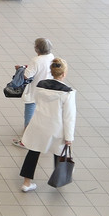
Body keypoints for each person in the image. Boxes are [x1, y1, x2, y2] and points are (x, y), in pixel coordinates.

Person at [19, 58, 76, 193]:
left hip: (38, 124)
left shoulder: (41, 86)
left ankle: (26, 183)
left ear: (52, 72)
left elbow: (37, 101)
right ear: (63, 74)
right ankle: (59, 180)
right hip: (56, 128)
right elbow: (69, 117)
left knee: (33, 152)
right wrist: (69, 137)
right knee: (59, 153)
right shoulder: (68, 93)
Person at [12, 38, 54, 148]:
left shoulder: (36, 60)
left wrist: (20, 69)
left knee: (29, 113)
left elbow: (27, 75)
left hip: (35, 90)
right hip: (46, 89)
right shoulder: (51, 57)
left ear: (37, 49)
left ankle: (25, 140)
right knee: (41, 112)